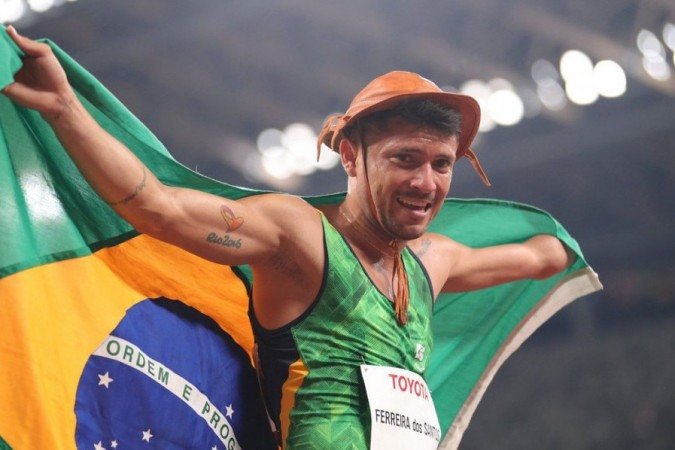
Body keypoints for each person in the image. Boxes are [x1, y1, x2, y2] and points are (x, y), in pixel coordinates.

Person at [2, 26, 572, 449]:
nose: (427, 182)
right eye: (405, 159)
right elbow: (160, 208)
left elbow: (538, 258)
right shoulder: (300, 240)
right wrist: (65, 109)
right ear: (351, 157)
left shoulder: (431, 264)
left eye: (442, 164)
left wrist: (559, 246)